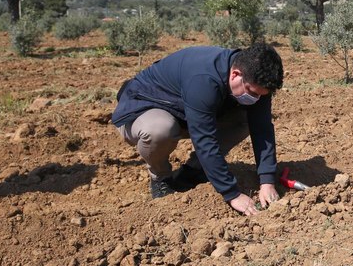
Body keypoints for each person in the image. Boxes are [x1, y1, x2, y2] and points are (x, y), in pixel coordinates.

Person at [111, 43, 284, 216]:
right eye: (251, 92)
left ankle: (194, 171)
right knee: (160, 129)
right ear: (235, 74)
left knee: (244, 119)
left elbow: (262, 129)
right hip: (143, 109)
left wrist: (267, 181)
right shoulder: (204, 78)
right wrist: (232, 194)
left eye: (260, 95)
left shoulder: (256, 81)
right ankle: (161, 177)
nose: (255, 98)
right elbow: (204, 139)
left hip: (187, 112)